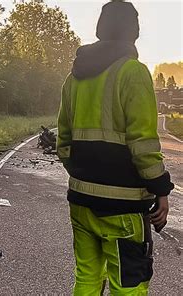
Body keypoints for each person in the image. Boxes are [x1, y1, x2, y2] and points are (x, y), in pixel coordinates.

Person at [56, 1, 174, 294]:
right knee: (128, 285)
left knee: (87, 276)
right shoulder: (133, 72)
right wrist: (161, 189)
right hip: (123, 206)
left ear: (100, 29)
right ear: (133, 32)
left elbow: (63, 143)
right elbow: (144, 145)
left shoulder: (73, 78)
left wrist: (86, 173)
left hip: (81, 200)